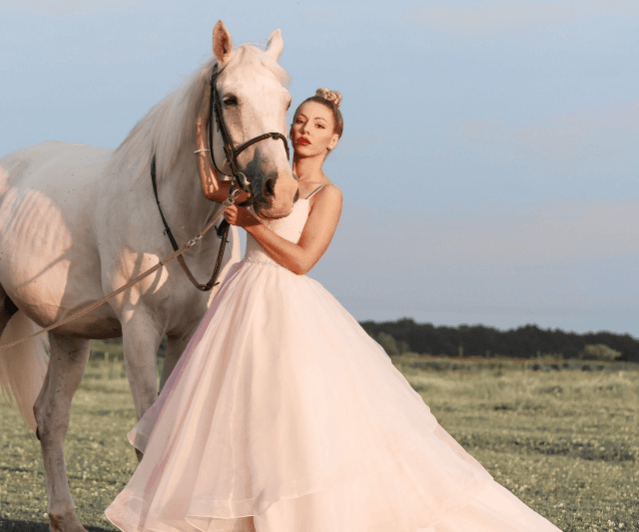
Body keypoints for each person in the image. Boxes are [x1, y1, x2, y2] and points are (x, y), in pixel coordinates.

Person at [105, 90, 563, 532]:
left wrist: (251, 226)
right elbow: (211, 188)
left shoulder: (328, 194)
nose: (304, 130)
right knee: (234, 418)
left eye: (318, 125)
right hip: (240, 300)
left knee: (289, 418)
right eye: (300, 121)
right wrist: (203, 133)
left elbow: (302, 260)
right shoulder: (264, 179)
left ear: (334, 140)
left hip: (284, 305)